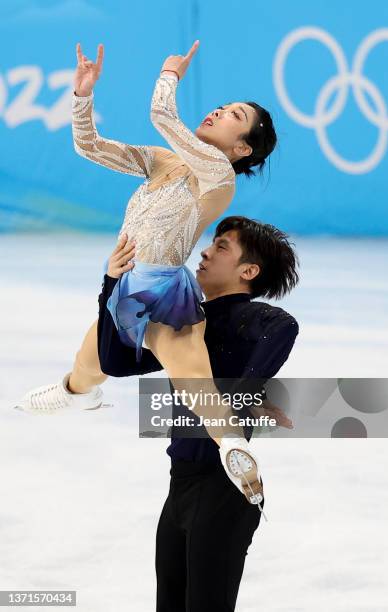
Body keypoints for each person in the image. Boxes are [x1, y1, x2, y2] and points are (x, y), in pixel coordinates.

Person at [16, 40, 278, 507]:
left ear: (242, 147)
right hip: (125, 285)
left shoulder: (218, 174)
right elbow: (89, 146)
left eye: (233, 115)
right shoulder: (162, 160)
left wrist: (169, 74)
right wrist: (82, 96)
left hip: (166, 293)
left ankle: (232, 447)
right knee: (88, 364)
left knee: (191, 375)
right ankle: (76, 393)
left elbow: (162, 114)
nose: (218, 112)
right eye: (221, 106)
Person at [98, 215, 299, 611]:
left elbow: (282, 328)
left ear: (248, 271)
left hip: (224, 490)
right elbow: (114, 361)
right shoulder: (186, 327)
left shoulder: (257, 319)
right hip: (179, 488)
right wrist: (111, 282)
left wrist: (245, 393)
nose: (205, 251)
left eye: (222, 246)